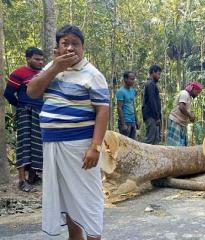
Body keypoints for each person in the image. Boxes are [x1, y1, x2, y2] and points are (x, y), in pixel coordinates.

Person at [27, 24, 109, 240]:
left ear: (83, 48)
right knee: (66, 198)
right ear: (58, 46)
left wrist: (95, 147)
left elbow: (103, 111)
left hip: (80, 148)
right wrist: (55, 67)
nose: (70, 48)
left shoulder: (93, 74)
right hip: (52, 146)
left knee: (88, 199)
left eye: (75, 44)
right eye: (65, 43)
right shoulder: (50, 68)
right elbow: (32, 92)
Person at [3, 47, 44, 192]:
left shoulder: (44, 73)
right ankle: (21, 180)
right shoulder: (18, 73)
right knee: (24, 144)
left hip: (41, 113)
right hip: (25, 113)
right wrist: (21, 106)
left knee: (38, 145)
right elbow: (8, 94)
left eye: (41, 59)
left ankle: (33, 177)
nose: (40, 62)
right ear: (28, 59)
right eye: (36, 59)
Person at [167, 81, 203, 146]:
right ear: (193, 89)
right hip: (176, 121)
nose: (197, 94)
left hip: (181, 123)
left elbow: (185, 110)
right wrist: (190, 116)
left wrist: (190, 117)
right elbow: (181, 107)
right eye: (197, 92)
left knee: (182, 145)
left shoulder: (188, 96)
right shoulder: (184, 93)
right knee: (175, 146)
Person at [142, 64, 162, 144]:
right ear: (153, 72)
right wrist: (157, 116)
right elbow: (152, 101)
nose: (159, 76)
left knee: (156, 139)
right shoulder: (150, 84)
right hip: (151, 115)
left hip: (153, 116)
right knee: (150, 139)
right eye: (158, 74)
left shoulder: (152, 84)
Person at [116, 71, 140, 139]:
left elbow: (133, 105)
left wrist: (136, 120)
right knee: (125, 144)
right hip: (125, 121)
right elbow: (119, 108)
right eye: (131, 79)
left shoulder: (132, 90)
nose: (133, 81)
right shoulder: (120, 92)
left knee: (133, 143)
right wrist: (123, 124)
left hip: (132, 121)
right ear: (125, 79)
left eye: (134, 79)